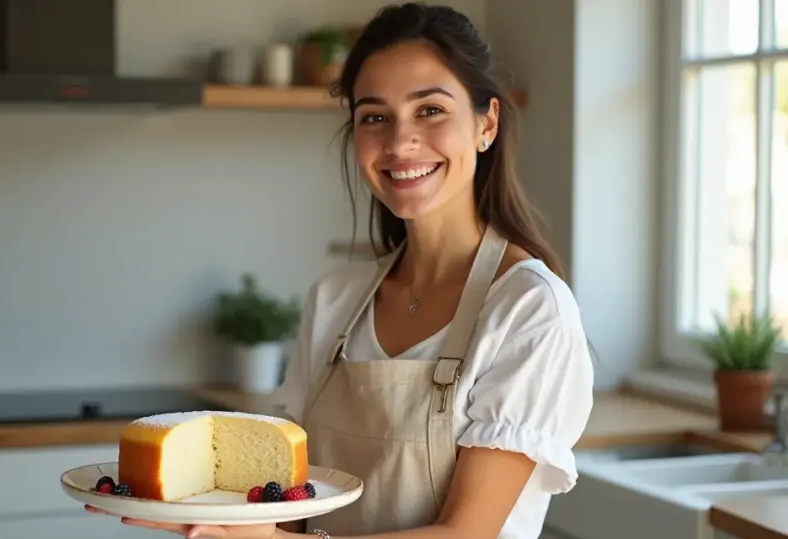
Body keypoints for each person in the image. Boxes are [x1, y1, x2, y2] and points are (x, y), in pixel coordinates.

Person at [87, 3, 594, 538]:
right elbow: (289, 501)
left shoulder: (530, 310)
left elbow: (465, 534)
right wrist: (212, 519)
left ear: (486, 123)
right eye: (375, 117)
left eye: (430, 110)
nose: (400, 142)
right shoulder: (336, 299)